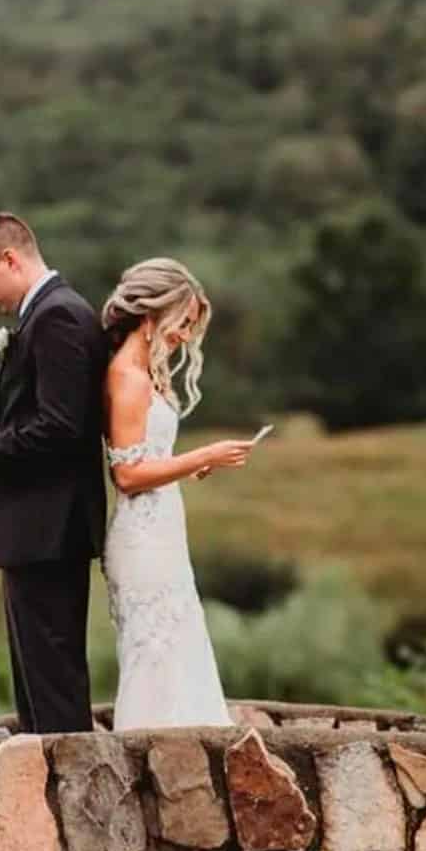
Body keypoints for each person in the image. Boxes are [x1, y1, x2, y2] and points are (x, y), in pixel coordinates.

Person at [0, 212, 107, 735]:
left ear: (10, 259)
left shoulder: (57, 317)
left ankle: (72, 804)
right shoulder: (44, 317)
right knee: (35, 690)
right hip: (36, 531)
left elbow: (60, 429)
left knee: (53, 694)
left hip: (49, 531)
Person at [101, 258, 253, 731]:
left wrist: (191, 466)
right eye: (182, 323)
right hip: (142, 539)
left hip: (163, 531)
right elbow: (126, 475)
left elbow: (149, 461)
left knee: (179, 647)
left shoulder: (145, 373)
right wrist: (200, 454)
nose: (185, 335)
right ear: (152, 313)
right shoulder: (127, 376)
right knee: (155, 651)